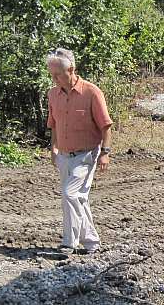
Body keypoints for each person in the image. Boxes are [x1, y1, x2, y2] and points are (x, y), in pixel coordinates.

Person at [46, 48, 112, 255]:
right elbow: (53, 123)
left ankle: (69, 243)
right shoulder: (53, 94)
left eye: (57, 74)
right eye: (51, 74)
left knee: (70, 194)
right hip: (64, 155)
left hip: (86, 154)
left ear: (71, 69)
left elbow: (106, 126)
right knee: (78, 199)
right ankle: (92, 243)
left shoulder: (92, 92)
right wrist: (53, 148)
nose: (54, 78)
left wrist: (105, 152)